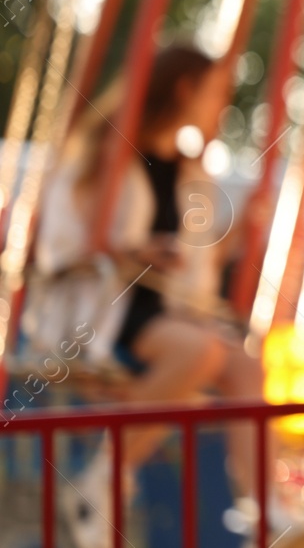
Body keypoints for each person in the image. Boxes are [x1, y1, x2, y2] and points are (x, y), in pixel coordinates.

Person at [30, 42, 274, 546]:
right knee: (199, 352)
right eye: (215, 93)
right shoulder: (105, 154)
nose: (221, 106)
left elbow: (193, 263)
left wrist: (235, 238)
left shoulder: (187, 172)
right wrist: (136, 250)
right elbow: (69, 240)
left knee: (246, 366)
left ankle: (263, 510)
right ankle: (103, 476)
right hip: (101, 309)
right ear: (185, 90)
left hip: (161, 310)